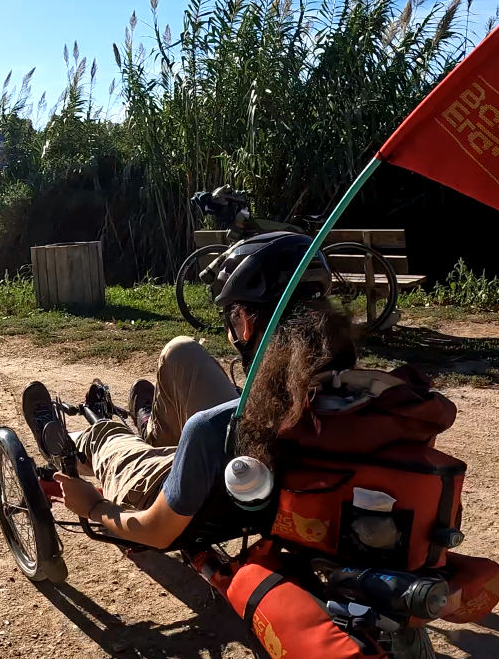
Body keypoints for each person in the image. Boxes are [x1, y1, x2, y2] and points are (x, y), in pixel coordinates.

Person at [21, 232, 356, 550]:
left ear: (246, 322)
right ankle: (152, 429)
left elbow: (156, 531)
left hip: (206, 483)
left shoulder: (209, 429)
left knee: (105, 435)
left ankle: (73, 446)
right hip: (264, 460)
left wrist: (93, 506)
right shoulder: (358, 394)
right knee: (181, 351)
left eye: (232, 317)